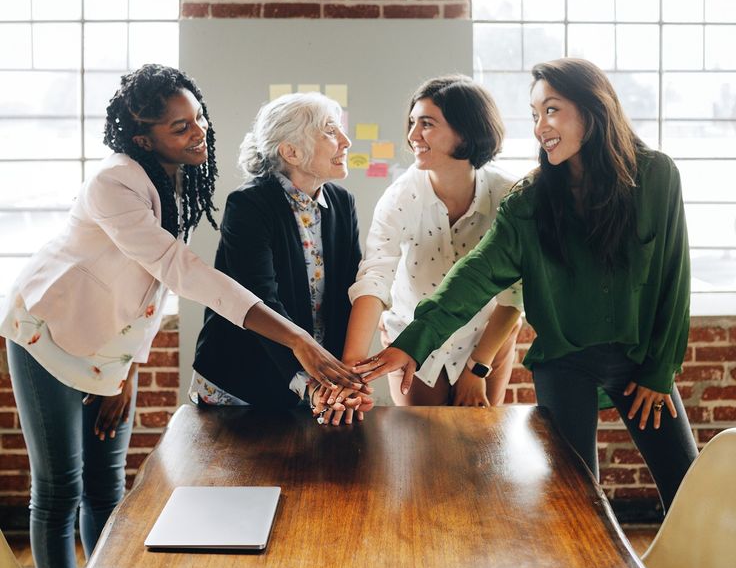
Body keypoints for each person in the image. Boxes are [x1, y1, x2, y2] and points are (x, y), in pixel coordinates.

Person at [0, 65, 362, 568]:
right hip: (47, 331)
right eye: (181, 127)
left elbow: (151, 290)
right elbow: (178, 269)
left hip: (110, 345)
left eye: (199, 120)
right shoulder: (113, 182)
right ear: (143, 137)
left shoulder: (177, 180)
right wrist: (297, 338)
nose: (199, 133)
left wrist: (126, 370)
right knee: (60, 488)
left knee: (106, 486)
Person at [357, 59, 699, 512]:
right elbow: (476, 274)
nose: (540, 126)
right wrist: (412, 342)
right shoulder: (530, 200)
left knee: (690, 492)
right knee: (576, 500)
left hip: (641, 360)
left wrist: (659, 371)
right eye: (535, 115)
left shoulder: (656, 177)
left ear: (593, 111)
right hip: (565, 364)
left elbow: (674, 279)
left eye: (552, 110)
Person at [342, 75, 523, 409]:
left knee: (480, 447)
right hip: (410, 339)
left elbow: (514, 295)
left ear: (467, 131)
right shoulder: (400, 197)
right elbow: (374, 277)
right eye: (412, 122)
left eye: (426, 124)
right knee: (421, 451)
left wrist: (477, 369)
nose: (412, 137)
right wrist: (351, 369)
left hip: (486, 341)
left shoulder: (508, 197)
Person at [191, 92, 370, 424]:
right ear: (292, 151)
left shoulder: (343, 202)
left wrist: (341, 380)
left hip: (314, 383)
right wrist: (309, 383)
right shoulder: (249, 205)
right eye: (331, 131)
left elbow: (348, 294)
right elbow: (260, 300)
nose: (346, 141)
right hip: (242, 384)